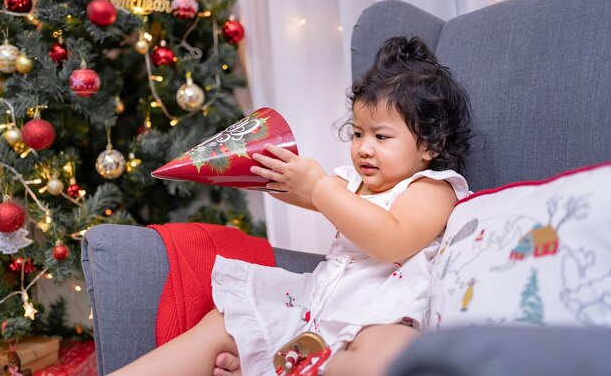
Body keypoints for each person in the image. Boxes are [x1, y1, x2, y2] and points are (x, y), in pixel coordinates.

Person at [109, 36, 472, 376]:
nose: (363, 147)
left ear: (430, 145)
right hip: (313, 314)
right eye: (358, 133)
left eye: (381, 136)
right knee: (224, 322)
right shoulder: (352, 186)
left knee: (389, 352)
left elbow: (392, 240)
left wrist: (318, 187)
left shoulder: (432, 189)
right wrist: (277, 177)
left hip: (380, 318)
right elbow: (308, 196)